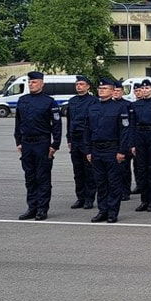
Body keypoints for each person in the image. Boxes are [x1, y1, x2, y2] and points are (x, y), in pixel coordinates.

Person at [14, 71, 62, 220]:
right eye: (29, 82)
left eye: (34, 82)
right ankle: (32, 207)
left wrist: (55, 145)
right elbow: (18, 123)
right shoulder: (22, 100)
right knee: (30, 177)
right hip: (27, 143)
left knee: (42, 177)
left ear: (42, 83)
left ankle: (42, 209)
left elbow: (56, 125)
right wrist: (18, 141)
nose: (31, 84)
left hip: (42, 143)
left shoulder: (49, 102)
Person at [85, 78, 132, 223]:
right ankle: (102, 210)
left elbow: (125, 131)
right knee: (100, 182)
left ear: (112, 91)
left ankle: (112, 212)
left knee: (113, 183)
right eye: (100, 88)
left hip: (112, 149)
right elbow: (87, 130)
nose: (101, 90)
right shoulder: (93, 107)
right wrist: (88, 150)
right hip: (96, 149)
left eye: (105, 88)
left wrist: (122, 151)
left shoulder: (120, 108)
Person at [130, 79, 151, 212]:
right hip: (139, 137)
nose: (144, 90)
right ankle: (144, 200)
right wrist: (132, 144)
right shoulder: (135, 105)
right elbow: (131, 125)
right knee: (141, 170)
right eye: (142, 89)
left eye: (147, 88)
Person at [65, 75, 97, 210]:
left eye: (82, 84)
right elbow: (69, 121)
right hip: (75, 139)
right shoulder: (72, 101)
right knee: (77, 171)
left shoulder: (94, 101)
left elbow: (95, 122)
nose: (79, 86)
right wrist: (69, 139)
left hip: (87, 139)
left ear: (88, 86)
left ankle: (89, 198)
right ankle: (80, 197)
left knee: (88, 170)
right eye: (77, 84)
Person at [111, 85, 132, 201]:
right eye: (114, 90)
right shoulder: (108, 105)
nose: (116, 93)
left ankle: (125, 191)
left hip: (124, 141)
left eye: (118, 91)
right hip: (112, 141)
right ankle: (116, 190)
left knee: (124, 168)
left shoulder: (127, 105)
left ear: (122, 92)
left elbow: (128, 126)